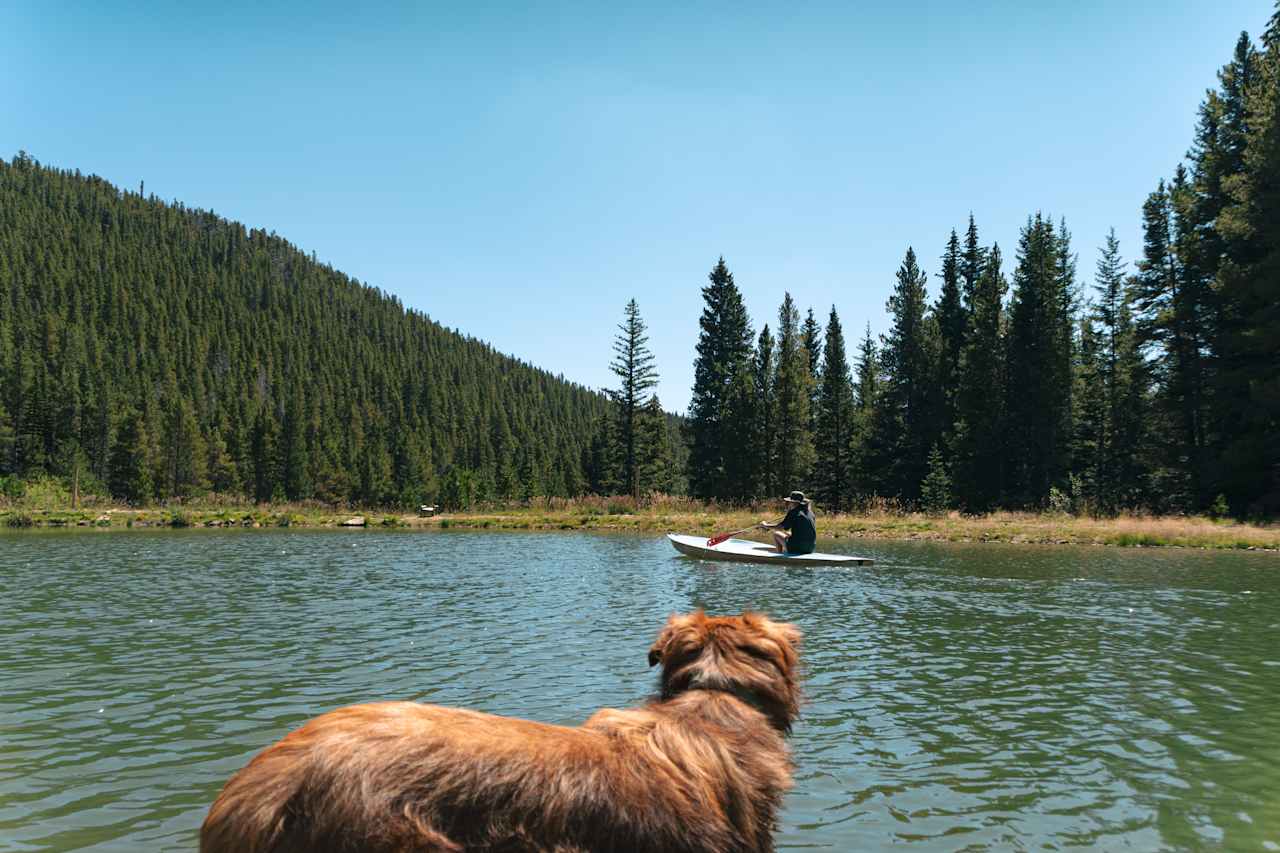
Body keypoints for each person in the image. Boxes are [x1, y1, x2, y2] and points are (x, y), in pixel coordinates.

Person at [761, 491, 816, 555]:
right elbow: (787, 528)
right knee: (788, 533)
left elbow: (780, 527)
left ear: (793, 502)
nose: (789, 503)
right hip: (811, 548)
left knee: (776, 534)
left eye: (790, 502)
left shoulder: (793, 512)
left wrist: (765, 525)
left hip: (798, 548)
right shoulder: (810, 513)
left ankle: (780, 555)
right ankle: (788, 549)